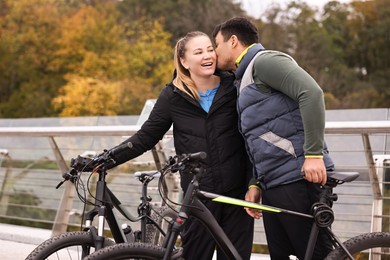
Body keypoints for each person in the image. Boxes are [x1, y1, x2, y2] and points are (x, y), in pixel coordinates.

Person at [108, 31, 254, 259]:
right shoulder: (173, 96)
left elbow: (254, 134)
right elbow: (145, 137)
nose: (207, 55)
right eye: (198, 52)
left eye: (209, 49)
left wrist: (255, 183)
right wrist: (106, 159)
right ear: (184, 61)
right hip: (198, 196)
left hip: (236, 195)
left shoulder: (234, 86)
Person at [212, 17, 335, 259]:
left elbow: (311, 93)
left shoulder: (265, 61)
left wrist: (313, 154)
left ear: (233, 41)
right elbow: (260, 137)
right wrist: (256, 183)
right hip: (275, 184)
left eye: (216, 45)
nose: (214, 53)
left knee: (316, 255)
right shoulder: (244, 78)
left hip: (298, 178)